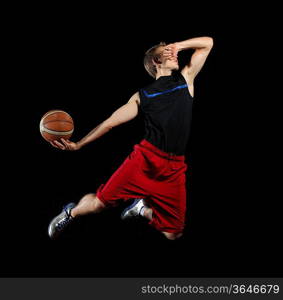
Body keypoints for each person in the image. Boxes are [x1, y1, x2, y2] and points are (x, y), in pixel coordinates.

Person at [48, 36, 213, 240]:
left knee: (173, 233)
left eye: (173, 51)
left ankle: (142, 209)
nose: (174, 53)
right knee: (99, 204)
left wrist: (178, 45)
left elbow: (208, 43)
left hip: (174, 168)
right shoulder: (143, 96)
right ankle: (70, 212)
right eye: (167, 51)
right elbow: (110, 122)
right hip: (145, 161)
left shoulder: (185, 79)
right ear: (156, 61)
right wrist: (79, 144)